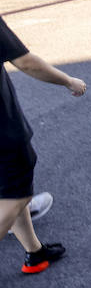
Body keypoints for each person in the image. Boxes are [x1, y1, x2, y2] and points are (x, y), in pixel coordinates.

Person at [0, 14, 85, 274]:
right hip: (3, 130)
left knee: (11, 192)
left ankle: (34, 252)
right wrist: (69, 81)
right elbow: (26, 62)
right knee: (17, 194)